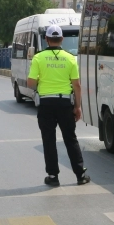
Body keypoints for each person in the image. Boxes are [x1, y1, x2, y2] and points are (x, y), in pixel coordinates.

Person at [27, 25, 90, 186]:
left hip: (46, 103)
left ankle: (53, 176)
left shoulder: (38, 58)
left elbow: (30, 83)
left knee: (49, 140)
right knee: (70, 139)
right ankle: (80, 175)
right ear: (62, 39)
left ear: (46, 39)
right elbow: (77, 85)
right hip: (64, 104)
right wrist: (77, 107)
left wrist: (42, 81)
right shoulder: (70, 58)